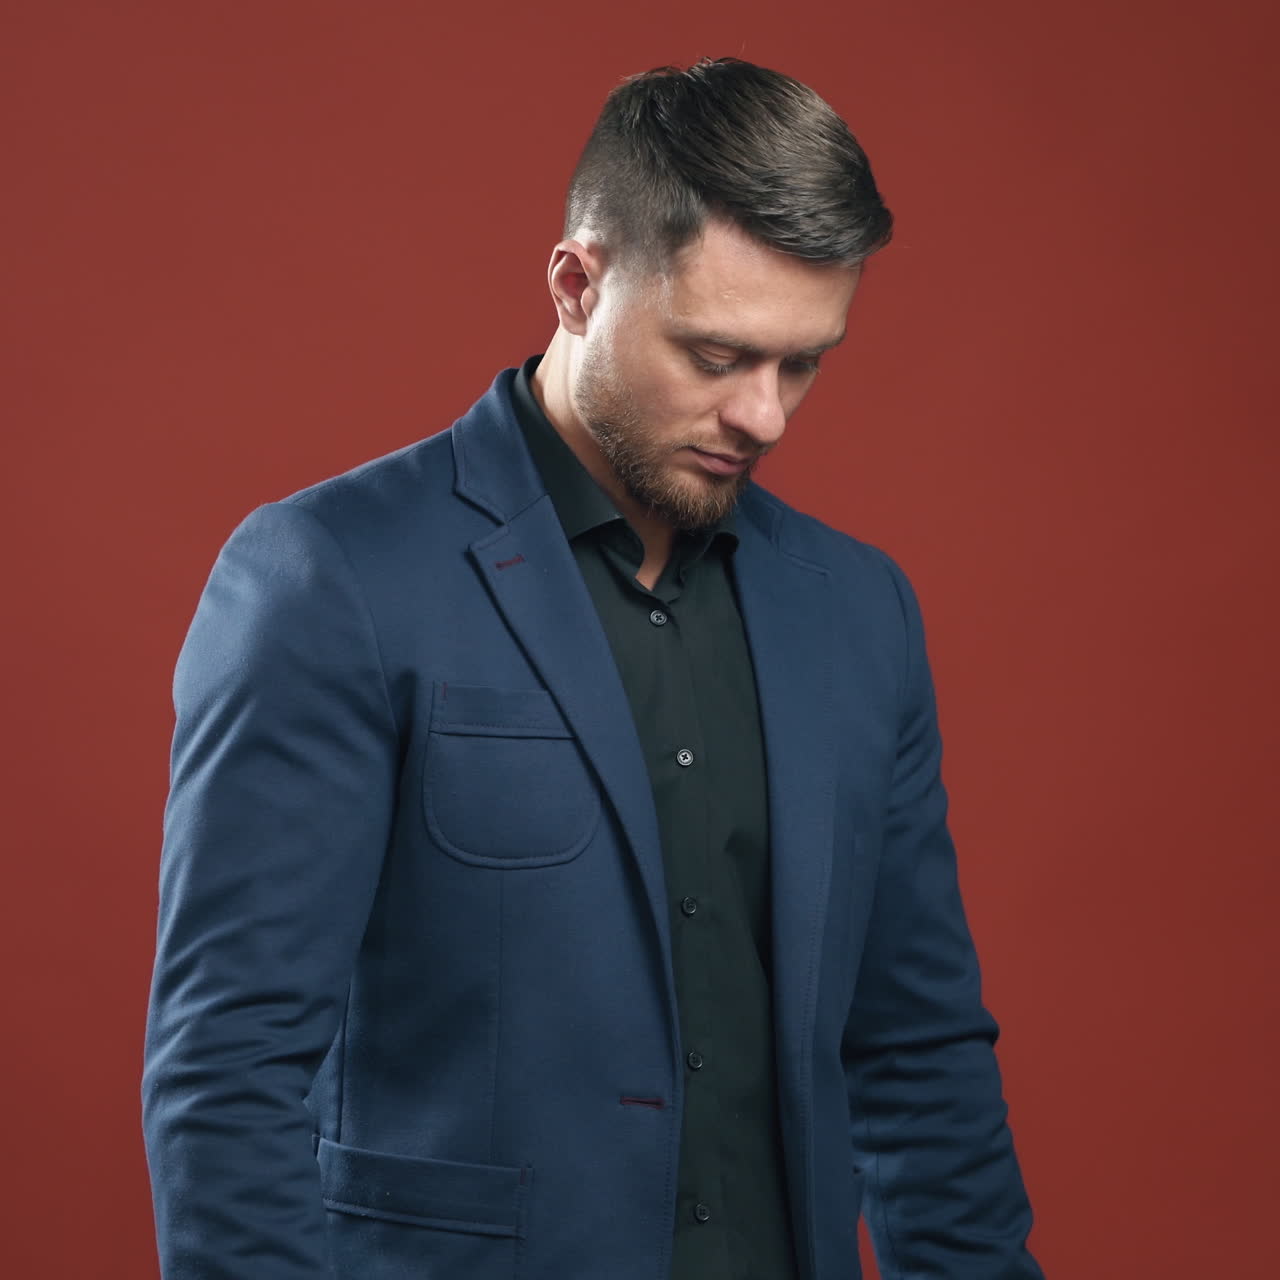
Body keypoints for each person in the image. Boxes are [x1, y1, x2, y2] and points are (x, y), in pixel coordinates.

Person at [142, 56, 1043, 1280]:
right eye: (716, 355)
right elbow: (226, 1066)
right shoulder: (330, 576)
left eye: (802, 362)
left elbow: (918, 1045)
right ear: (575, 283)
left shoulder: (857, 609)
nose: (763, 417)